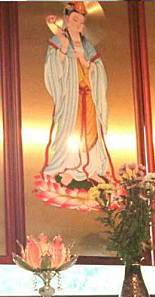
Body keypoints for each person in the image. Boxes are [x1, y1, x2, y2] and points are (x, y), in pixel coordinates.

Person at [42, 2, 114, 189]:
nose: (77, 25)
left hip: (89, 96)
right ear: (66, 19)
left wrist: (86, 61)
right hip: (71, 97)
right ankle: (69, 169)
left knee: (91, 132)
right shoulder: (59, 39)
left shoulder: (86, 44)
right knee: (71, 130)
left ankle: (91, 169)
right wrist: (64, 47)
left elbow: (97, 68)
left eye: (81, 22)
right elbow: (54, 66)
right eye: (74, 20)